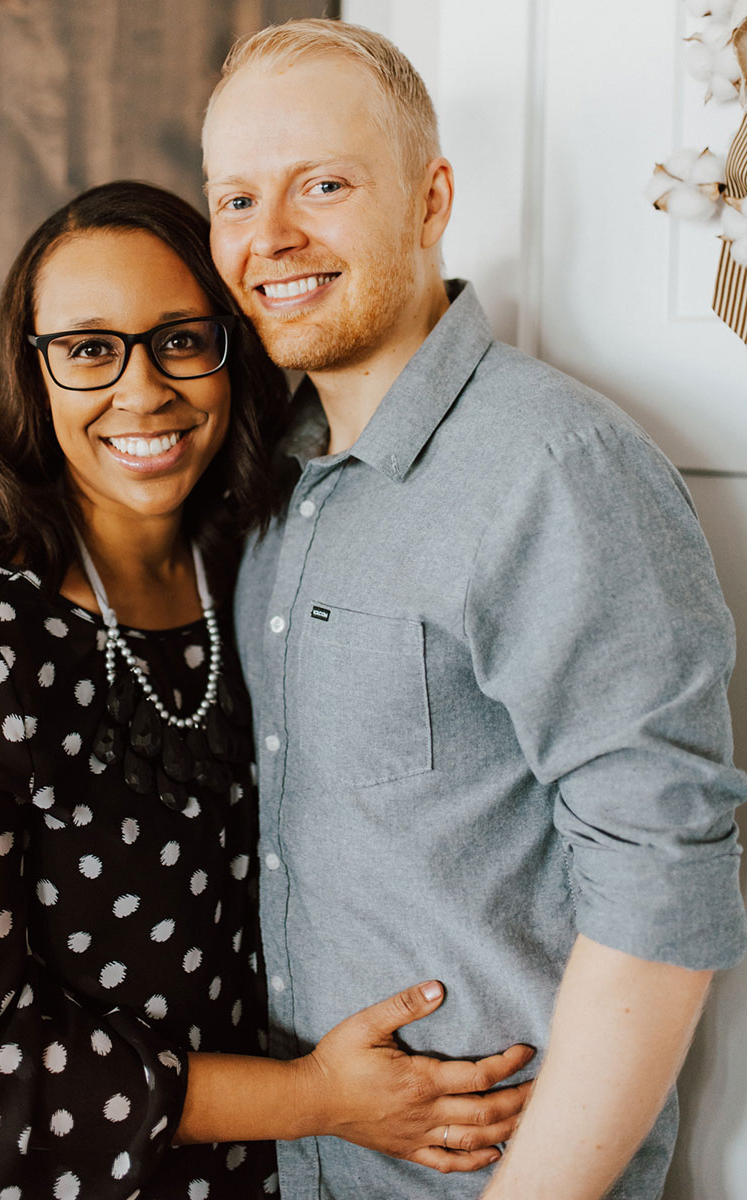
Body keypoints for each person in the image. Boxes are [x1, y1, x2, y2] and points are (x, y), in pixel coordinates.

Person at [0, 181, 535, 1200]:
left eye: (180, 339)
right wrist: (322, 1098)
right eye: (90, 348)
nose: (142, 390)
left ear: (231, 348)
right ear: (35, 371)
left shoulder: (254, 571)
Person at [202, 18, 747, 1200]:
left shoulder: (553, 467)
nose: (270, 238)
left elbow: (663, 878)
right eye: (234, 200)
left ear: (430, 197)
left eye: (323, 186)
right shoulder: (273, 490)